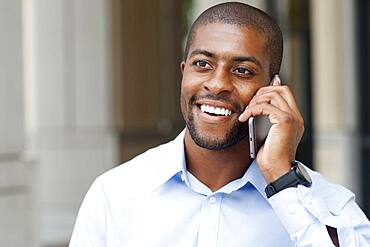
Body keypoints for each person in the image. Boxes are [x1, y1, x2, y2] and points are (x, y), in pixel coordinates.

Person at [70, 2, 370, 246]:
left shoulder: (327, 204)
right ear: (184, 73)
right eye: (203, 64)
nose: (217, 84)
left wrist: (282, 179)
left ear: (272, 89)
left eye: (242, 70)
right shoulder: (115, 193)